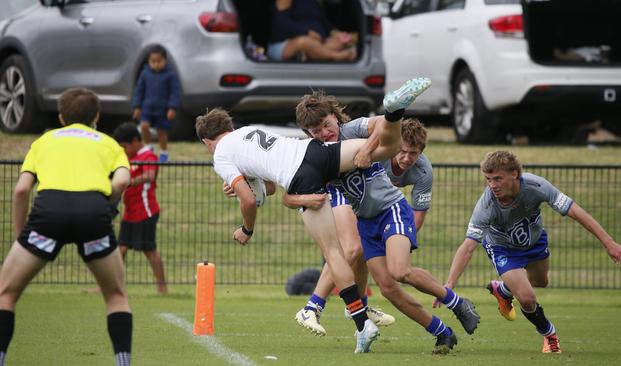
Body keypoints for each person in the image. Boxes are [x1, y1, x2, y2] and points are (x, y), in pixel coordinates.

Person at [196, 77, 431, 353]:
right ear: (230, 127)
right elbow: (267, 187)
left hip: (299, 176)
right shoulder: (246, 132)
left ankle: (362, 324)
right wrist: (246, 183)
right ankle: (392, 113)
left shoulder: (220, 155)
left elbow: (250, 200)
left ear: (206, 142)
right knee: (388, 149)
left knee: (334, 252)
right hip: (314, 153)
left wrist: (246, 229)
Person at [284, 92, 480, 355]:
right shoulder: (315, 154)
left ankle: (457, 303)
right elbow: (285, 189)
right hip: (367, 222)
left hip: (391, 210)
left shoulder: (350, 130)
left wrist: (365, 149)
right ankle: (443, 333)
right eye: (315, 131)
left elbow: (381, 124)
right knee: (388, 289)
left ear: (335, 116)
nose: (324, 133)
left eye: (327, 125)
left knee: (400, 271)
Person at [442, 150, 621, 353]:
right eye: (488, 179)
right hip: (503, 249)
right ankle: (549, 334)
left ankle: (503, 290)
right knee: (527, 297)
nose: (492, 185)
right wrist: (449, 285)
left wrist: (609, 243)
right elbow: (468, 247)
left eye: (498, 179)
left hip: (535, 242)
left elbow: (576, 212)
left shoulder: (537, 186)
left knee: (541, 282)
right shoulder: (486, 206)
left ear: (515, 174)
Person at [0, 88, 133, 365]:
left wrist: (20, 238)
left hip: (48, 214)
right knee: (116, 296)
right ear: (96, 116)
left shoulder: (44, 141)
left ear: (61, 117)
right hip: (93, 215)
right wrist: (104, 203)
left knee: (6, 294)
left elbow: (21, 191)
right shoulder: (109, 144)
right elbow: (121, 182)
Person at [285, 117, 433, 336]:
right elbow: (383, 121)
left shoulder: (422, 171)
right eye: (402, 150)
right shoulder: (351, 132)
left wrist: (397, 240)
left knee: (361, 248)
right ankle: (312, 306)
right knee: (351, 248)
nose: (406, 158)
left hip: (360, 201)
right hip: (330, 189)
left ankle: (359, 305)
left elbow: (417, 218)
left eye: (413, 153)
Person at [113, 122, 168, 294]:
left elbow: (150, 175)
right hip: (130, 213)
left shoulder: (148, 156)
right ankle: (112, 287)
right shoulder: (128, 158)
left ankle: (162, 289)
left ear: (136, 141)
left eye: (125, 147)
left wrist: (129, 181)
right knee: (120, 250)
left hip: (146, 211)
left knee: (149, 251)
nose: (124, 151)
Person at [132, 45, 181, 162]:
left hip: (162, 109)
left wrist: (172, 107)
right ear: (148, 61)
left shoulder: (170, 75)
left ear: (165, 60)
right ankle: (148, 147)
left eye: (159, 61)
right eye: (153, 61)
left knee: (161, 132)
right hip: (147, 108)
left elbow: (175, 92)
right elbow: (139, 91)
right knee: (144, 126)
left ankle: (164, 152)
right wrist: (137, 106)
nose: (156, 64)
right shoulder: (145, 74)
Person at [267, 0, 356, 62]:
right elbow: (281, 22)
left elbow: (325, 24)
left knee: (338, 43)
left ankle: (309, 55)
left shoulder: (314, 2)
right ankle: (336, 56)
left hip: (317, 42)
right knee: (303, 42)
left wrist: (336, 34)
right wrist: (306, 32)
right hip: (285, 44)